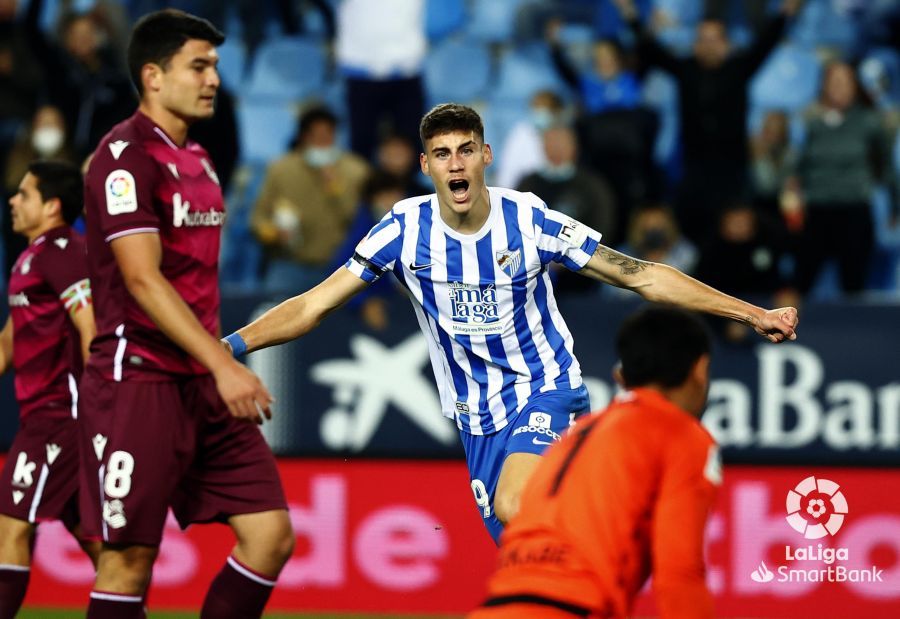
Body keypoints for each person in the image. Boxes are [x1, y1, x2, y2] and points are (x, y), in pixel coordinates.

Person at [223, 103, 798, 544]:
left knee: (516, 508)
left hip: (544, 385)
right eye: (443, 153)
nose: (456, 163)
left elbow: (638, 274)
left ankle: (623, 496)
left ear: (486, 156)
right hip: (477, 416)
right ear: (425, 166)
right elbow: (313, 304)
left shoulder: (528, 219)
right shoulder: (402, 230)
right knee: (525, 547)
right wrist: (229, 346)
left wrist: (752, 313)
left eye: (466, 150)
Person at [79, 10, 293, 618]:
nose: (213, 79)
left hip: (200, 381)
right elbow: (142, 280)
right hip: (139, 382)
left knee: (270, 537)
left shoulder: (197, 159)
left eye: (216, 66)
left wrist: (212, 367)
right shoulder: (124, 158)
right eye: (198, 65)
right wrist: (224, 365)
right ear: (153, 75)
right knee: (127, 562)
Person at [468, 306, 720, 619]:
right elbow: (680, 575)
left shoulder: (579, 432)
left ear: (621, 376)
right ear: (700, 369)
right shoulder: (682, 436)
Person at [613, 0, 802, 242]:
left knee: (735, 233)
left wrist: (785, 13)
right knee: (693, 231)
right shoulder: (685, 69)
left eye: (715, 39)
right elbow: (651, 49)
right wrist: (630, 14)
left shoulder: (739, 68)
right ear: (695, 44)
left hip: (732, 170)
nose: (709, 46)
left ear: (726, 43)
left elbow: (766, 42)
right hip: (694, 169)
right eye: (703, 39)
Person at [0, 161, 98, 619]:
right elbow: (9, 339)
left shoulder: (63, 252)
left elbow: (89, 324)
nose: (13, 201)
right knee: (96, 541)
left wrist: (102, 402)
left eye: (24, 194)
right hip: (46, 416)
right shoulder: (30, 257)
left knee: (11, 528)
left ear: (52, 206)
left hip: (60, 417)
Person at [782, 60, 895, 296]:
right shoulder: (808, 121)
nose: (839, 87)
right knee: (800, 283)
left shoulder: (870, 122)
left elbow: (886, 168)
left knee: (854, 285)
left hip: (854, 212)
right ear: (823, 85)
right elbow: (793, 170)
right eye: (833, 81)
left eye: (845, 81)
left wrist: (895, 205)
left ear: (855, 86)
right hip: (816, 213)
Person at [250, 105, 370, 294]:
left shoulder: (355, 171)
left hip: (341, 266)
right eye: (316, 137)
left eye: (328, 136)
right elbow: (259, 218)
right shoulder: (281, 169)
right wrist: (273, 233)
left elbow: (363, 222)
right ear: (304, 138)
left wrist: (337, 189)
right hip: (289, 264)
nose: (323, 143)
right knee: (274, 317)